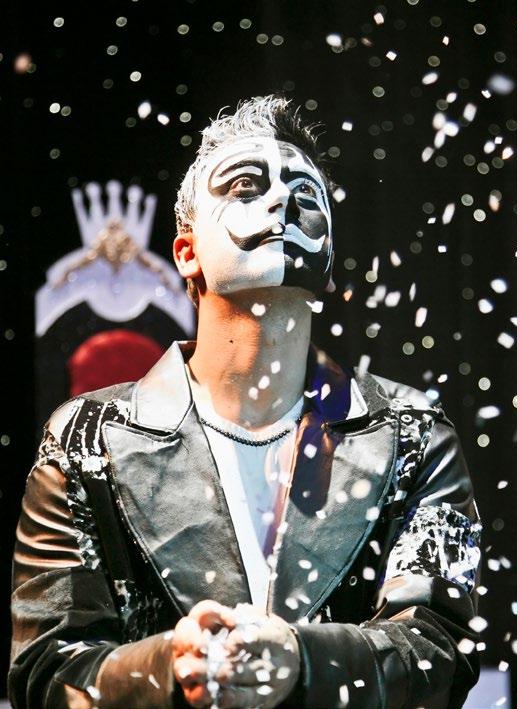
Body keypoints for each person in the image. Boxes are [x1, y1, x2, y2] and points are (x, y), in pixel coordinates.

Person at [10, 95, 483, 708]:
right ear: (187, 254)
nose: (281, 200)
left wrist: (303, 662)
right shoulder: (85, 441)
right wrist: (169, 667)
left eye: (305, 194)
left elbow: (438, 652)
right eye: (245, 186)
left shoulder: (414, 434)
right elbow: (47, 671)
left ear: (329, 261)